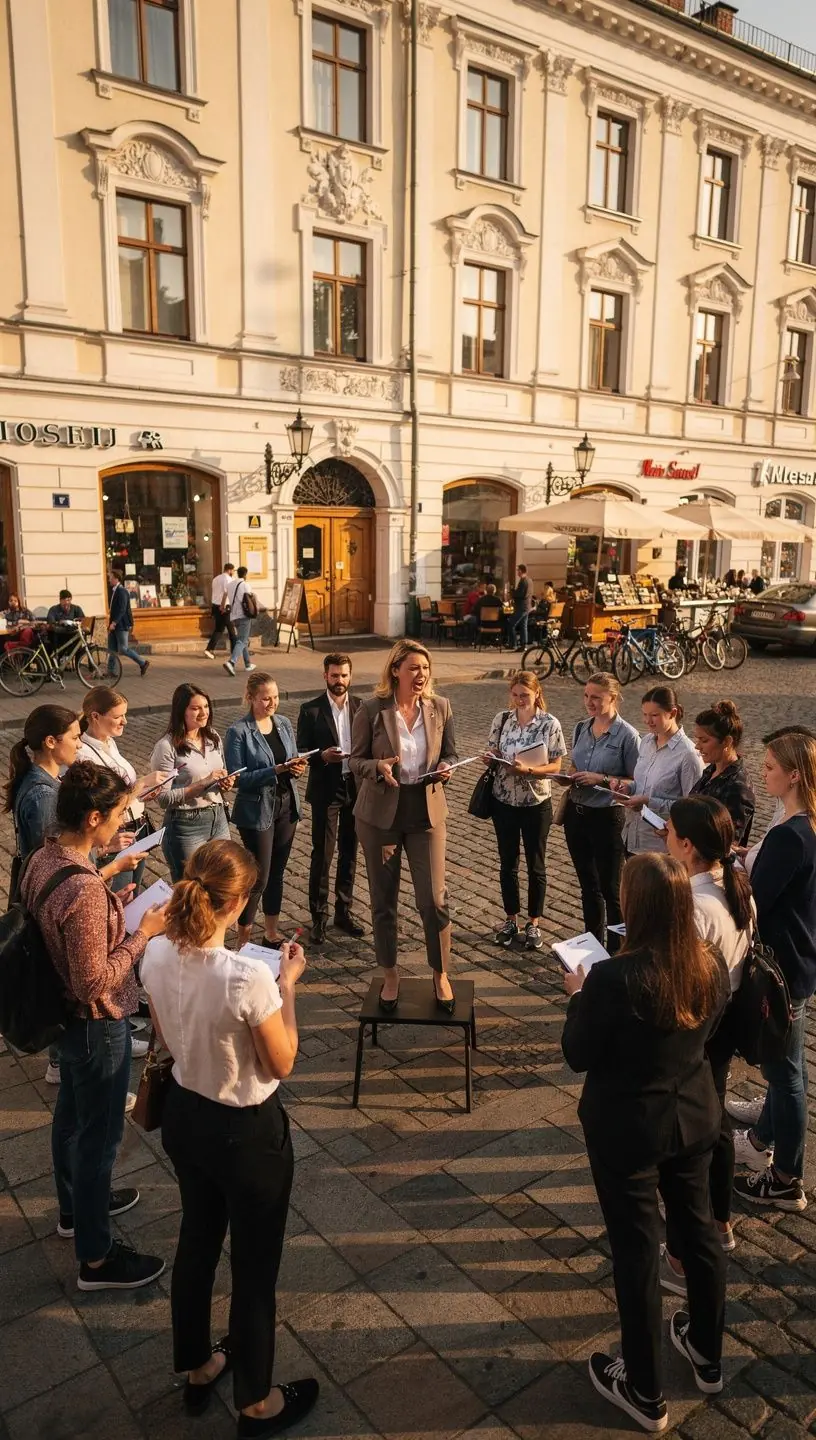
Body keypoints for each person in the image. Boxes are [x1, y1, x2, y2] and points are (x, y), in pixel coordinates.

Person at [140, 840, 318, 1432]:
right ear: (239, 903)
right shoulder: (250, 977)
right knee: (255, 1264)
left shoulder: (155, 952)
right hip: (245, 1132)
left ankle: (197, 1366)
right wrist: (288, 986)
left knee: (196, 1240)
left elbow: (166, 1031)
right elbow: (281, 1062)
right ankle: (256, 1402)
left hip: (185, 1114)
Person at [562, 852, 730, 1433]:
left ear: (635, 907)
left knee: (636, 1252)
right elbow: (710, 1031)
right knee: (700, 1233)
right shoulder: (709, 963)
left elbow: (578, 1053)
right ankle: (707, 1353)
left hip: (628, 1129)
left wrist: (579, 994)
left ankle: (644, 1389)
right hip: (694, 1116)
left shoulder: (614, 978)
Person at [20, 762, 168, 1290]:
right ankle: (97, 1258)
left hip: (64, 1018)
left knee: (70, 1118)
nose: (124, 821)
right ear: (93, 818)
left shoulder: (45, 856)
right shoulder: (83, 889)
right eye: (119, 813)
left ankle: (73, 1209)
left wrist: (112, 904)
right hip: (96, 1024)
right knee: (99, 1140)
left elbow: (68, 918)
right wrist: (143, 932)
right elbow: (93, 983)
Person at [661, 796, 753, 1292]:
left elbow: (679, 981)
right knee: (716, 1123)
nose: (663, 835)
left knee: (690, 1140)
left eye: (670, 831)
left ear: (688, 845)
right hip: (728, 1018)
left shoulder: (694, 905)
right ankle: (722, 1221)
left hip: (699, 1027)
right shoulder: (737, 888)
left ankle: (684, 1252)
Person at [731, 733, 816, 1214]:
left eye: (769, 768)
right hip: (799, 958)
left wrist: (732, 871)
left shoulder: (791, 834)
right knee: (787, 1066)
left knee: (786, 1076)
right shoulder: (800, 823)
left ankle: (786, 1178)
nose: (762, 774)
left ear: (795, 774)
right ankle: (762, 1137)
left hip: (784, 967)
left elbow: (756, 900)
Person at [350, 639, 456, 1011]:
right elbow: (355, 761)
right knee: (383, 900)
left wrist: (446, 766)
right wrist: (377, 767)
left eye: (425, 668)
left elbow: (450, 752)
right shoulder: (371, 709)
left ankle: (440, 973)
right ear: (395, 671)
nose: (421, 674)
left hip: (426, 812)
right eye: (413, 668)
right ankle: (390, 974)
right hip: (381, 815)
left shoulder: (440, 707)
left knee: (434, 899)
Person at [482, 670, 566, 952]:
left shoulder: (549, 723)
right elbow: (492, 750)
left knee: (536, 865)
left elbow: (556, 766)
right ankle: (510, 920)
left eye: (525, 695)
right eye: (515, 695)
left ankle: (534, 922)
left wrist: (528, 769)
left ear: (537, 693)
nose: (519, 700)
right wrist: (490, 758)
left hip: (536, 802)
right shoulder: (502, 719)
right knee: (508, 863)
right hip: (503, 800)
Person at [225, 673, 306, 949]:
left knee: (277, 873)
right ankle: (242, 940)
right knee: (258, 877)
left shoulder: (283, 723)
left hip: (286, 805)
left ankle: (271, 933)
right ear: (250, 698)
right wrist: (275, 770)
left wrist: (296, 767)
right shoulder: (239, 732)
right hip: (257, 811)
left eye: (276, 697)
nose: (272, 703)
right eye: (265, 698)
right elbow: (237, 778)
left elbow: (291, 759)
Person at [563, 673, 640, 948]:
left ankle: (616, 951)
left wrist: (601, 779)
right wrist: (569, 776)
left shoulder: (628, 736)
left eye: (596, 697)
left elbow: (636, 782)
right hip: (576, 814)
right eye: (586, 695)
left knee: (611, 889)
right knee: (588, 887)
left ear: (613, 698)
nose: (589, 702)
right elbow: (575, 764)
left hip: (607, 817)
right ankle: (592, 946)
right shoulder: (581, 728)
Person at [297, 653, 364, 943]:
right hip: (326, 789)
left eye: (344, 675)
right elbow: (301, 751)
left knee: (350, 851)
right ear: (325, 675)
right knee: (322, 853)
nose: (340, 681)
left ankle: (343, 912)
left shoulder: (362, 706)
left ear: (350, 676)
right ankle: (319, 917)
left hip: (355, 788)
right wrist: (322, 756)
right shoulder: (310, 710)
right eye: (335, 675)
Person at [78, 685, 169, 894]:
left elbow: (125, 789)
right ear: (95, 717)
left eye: (125, 715)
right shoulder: (83, 755)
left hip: (134, 829)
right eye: (118, 716)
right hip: (113, 835)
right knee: (121, 896)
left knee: (133, 893)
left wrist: (144, 793)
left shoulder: (109, 742)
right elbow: (107, 801)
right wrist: (142, 783)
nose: (125, 721)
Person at [150, 684, 233, 882]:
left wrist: (225, 783)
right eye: (195, 708)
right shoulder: (166, 746)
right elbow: (162, 799)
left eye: (206, 706)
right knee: (191, 887)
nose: (203, 713)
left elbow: (218, 774)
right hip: (186, 826)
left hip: (218, 818)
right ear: (181, 711)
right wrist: (203, 783)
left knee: (223, 882)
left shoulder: (213, 736)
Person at [612, 687, 703, 854]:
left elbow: (691, 808)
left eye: (654, 715)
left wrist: (648, 801)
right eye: (645, 714)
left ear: (672, 713)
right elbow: (641, 783)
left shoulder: (688, 755)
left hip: (661, 847)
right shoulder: (646, 741)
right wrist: (627, 788)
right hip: (632, 837)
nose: (647, 721)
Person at [690, 701, 755, 845]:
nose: (697, 746)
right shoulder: (711, 770)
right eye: (697, 739)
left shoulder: (738, 787)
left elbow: (727, 843)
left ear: (726, 741)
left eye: (704, 740)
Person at [108, 567, 149, 678]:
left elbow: (122, 609)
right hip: (114, 624)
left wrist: (114, 623)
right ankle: (111, 670)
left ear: (116, 578)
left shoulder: (122, 591)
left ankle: (143, 663)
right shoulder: (115, 590)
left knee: (123, 648)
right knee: (111, 648)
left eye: (110, 577)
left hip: (121, 625)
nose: (109, 579)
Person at [224, 566, 257, 677]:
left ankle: (248, 664)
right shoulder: (245, 585)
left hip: (234, 616)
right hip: (243, 615)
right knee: (242, 641)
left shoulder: (230, 585)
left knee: (242, 639)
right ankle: (231, 662)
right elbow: (249, 598)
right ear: (245, 574)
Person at [204, 560, 236, 659]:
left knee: (219, 629)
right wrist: (223, 606)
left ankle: (209, 649)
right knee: (231, 630)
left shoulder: (216, 579)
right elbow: (226, 593)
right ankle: (235, 651)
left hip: (215, 606)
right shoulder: (228, 579)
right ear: (230, 570)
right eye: (233, 571)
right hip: (224, 607)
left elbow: (214, 593)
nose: (233, 572)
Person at [507, 563, 534, 649]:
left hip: (521, 607)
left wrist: (512, 591)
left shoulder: (523, 581)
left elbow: (520, 594)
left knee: (511, 624)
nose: (517, 572)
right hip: (527, 607)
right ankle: (523, 645)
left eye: (518, 570)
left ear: (521, 571)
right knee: (523, 626)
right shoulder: (529, 580)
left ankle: (513, 644)